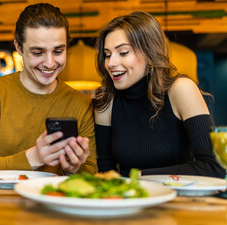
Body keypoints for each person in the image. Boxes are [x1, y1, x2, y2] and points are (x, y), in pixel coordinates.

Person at [0, 3, 97, 175]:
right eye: (37, 53)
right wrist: (34, 157)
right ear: (19, 47)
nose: (50, 63)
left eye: (58, 51)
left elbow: (91, 171)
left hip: (54, 199)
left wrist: (73, 169)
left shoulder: (80, 103)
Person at [93, 11, 225, 178]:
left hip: (180, 200)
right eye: (107, 55)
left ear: (150, 54)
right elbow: (106, 173)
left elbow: (214, 166)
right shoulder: (106, 101)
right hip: (130, 200)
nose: (111, 63)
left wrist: (140, 176)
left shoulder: (181, 90)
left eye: (123, 52)